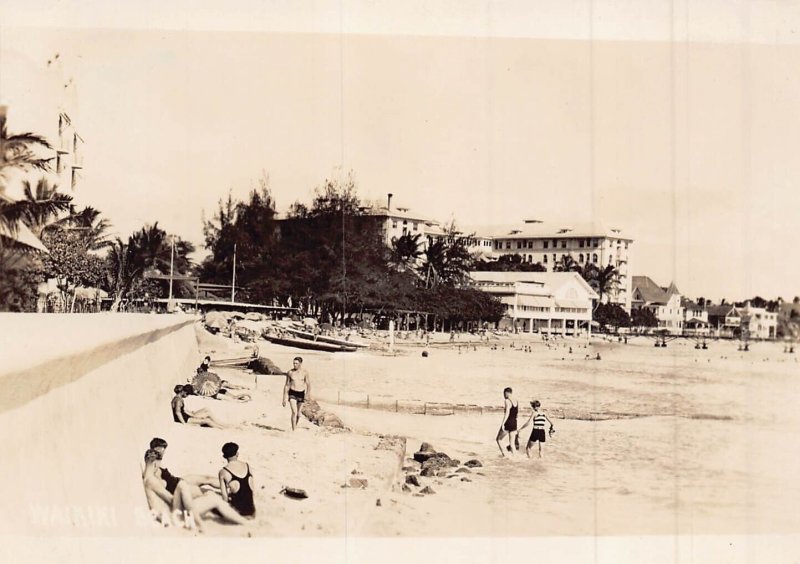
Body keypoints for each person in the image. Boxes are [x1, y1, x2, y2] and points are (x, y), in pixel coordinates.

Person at [141, 449, 249, 532]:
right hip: (174, 517)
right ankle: (199, 522)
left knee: (202, 493)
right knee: (208, 497)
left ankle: (200, 519)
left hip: (171, 514)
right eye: (158, 465)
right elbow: (171, 500)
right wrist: (188, 496)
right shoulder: (152, 481)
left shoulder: (148, 478)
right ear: (155, 463)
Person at [219, 442, 256, 518]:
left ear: (224, 456)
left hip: (237, 513)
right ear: (237, 454)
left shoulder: (223, 472)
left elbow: (224, 498)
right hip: (252, 511)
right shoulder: (248, 466)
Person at [282, 356, 311, 431]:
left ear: (300, 364)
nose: (294, 365)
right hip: (292, 393)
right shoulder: (290, 372)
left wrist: (307, 394)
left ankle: (295, 426)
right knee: (294, 412)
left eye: (296, 363)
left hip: (301, 393)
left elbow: (308, 384)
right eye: (293, 363)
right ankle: (293, 430)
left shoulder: (305, 372)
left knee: (298, 414)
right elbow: (287, 385)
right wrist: (284, 398)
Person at [496, 387, 519, 456]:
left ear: (507, 393)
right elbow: (517, 414)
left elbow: (507, 413)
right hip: (514, 423)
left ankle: (505, 455)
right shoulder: (516, 401)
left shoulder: (507, 401)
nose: (503, 395)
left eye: (504, 393)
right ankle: (515, 457)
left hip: (508, 423)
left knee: (498, 439)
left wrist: (503, 423)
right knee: (512, 443)